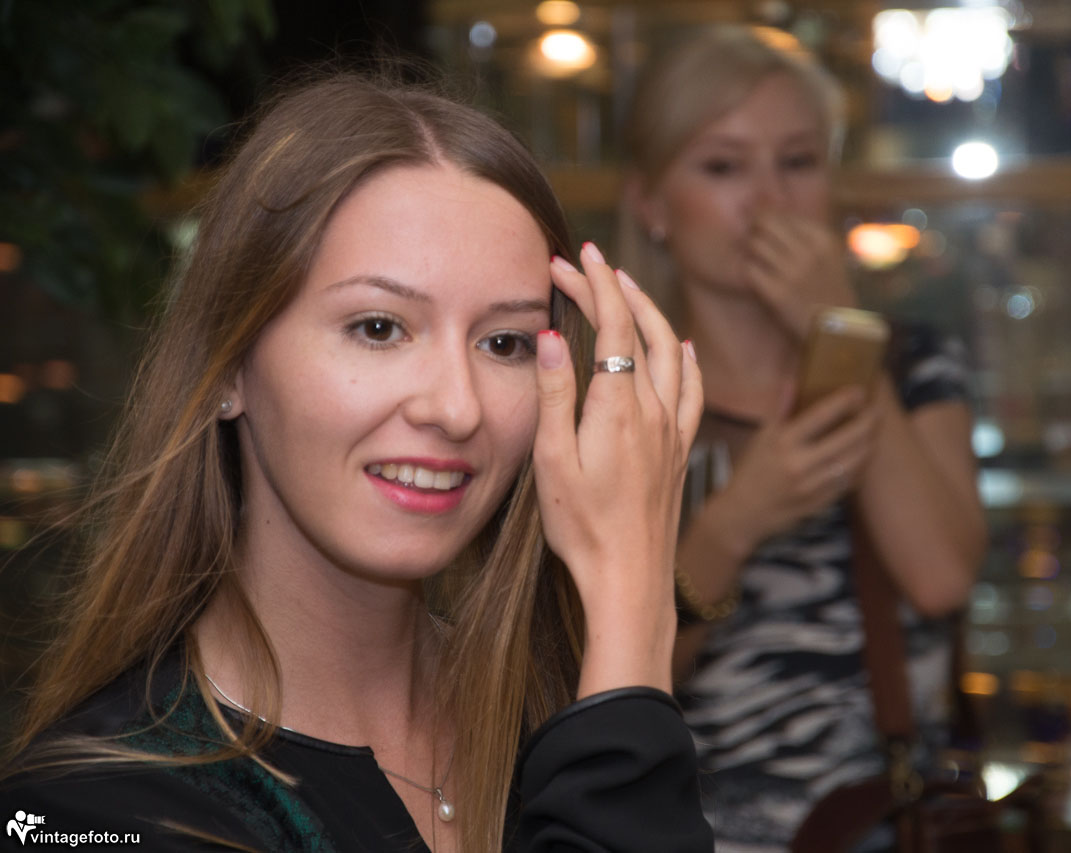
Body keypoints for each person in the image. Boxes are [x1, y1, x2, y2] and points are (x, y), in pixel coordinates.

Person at [1, 69, 711, 853]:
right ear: (229, 367)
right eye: (379, 328)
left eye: (503, 342)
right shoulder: (92, 807)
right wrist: (631, 619)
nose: (456, 407)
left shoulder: (554, 723)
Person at [618, 26, 988, 851]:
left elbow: (939, 578)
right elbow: (603, 684)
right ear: (651, 204)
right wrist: (736, 520)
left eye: (798, 161)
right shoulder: (620, 395)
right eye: (723, 167)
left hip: (890, 827)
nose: (768, 200)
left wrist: (839, 331)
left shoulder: (913, 364)